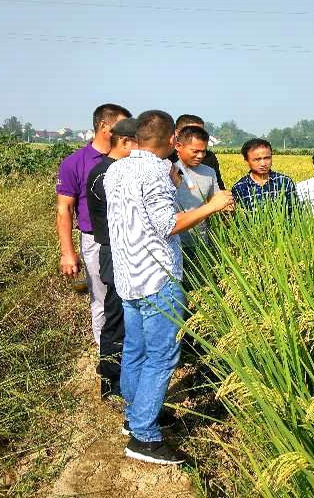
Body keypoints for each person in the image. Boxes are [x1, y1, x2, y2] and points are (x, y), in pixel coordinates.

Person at [104, 110, 233, 464]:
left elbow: (139, 215)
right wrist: (212, 205)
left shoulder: (116, 169)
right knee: (162, 356)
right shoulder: (157, 172)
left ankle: (135, 415)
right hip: (157, 279)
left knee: (136, 350)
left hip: (128, 276)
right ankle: (144, 437)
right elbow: (168, 225)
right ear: (173, 140)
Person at [56, 103, 131, 347]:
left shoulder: (130, 158)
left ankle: (128, 351)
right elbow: (64, 209)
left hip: (131, 238)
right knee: (102, 299)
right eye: (122, 125)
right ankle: (106, 354)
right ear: (104, 126)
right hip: (96, 240)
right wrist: (68, 252)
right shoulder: (75, 163)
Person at [85, 117, 139, 400]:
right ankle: (111, 385)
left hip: (126, 254)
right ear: (126, 142)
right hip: (115, 254)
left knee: (126, 321)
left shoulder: (115, 170)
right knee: (116, 321)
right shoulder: (106, 174)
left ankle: (124, 383)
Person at [171, 125, 223, 289]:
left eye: (203, 151)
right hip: (173, 244)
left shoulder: (209, 172)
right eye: (195, 151)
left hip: (200, 243)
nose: (200, 155)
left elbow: (215, 200)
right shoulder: (167, 170)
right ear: (178, 146)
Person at [230, 138, 297, 213]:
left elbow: (295, 212)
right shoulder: (239, 188)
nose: (263, 164)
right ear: (246, 161)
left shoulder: (285, 182)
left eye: (267, 158)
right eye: (257, 159)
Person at [168, 114, 226, 190]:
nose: (200, 156)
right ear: (177, 133)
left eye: (201, 132)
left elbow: (219, 190)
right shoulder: (166, 159)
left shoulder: (209, 158)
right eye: (193, 131)